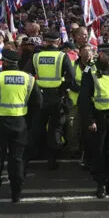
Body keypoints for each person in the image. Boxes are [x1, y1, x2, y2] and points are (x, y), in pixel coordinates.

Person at [0, 49, 41, 204]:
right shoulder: (29, 79)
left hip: (0, 122)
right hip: (20, 123)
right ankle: (16, 194)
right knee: (17, 159)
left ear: (4, 62)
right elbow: (37, 103)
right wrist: (27, 119)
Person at [77, 43, 109, 198]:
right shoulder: (89, 69)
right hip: (99, 117)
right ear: (101, 54)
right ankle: (101, 184)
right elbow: (84, 98)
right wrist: (90, 120)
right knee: (98, 152)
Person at [23, 28, 76, 170]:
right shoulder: (62, 56)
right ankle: (52, 161)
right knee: (55, 129)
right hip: (57, 97)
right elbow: (71, 78)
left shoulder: (36, 57)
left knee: (35, 128)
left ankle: (25, 159)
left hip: (39, 96)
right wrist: (62, 89)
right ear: (58, 42)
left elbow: (27, 76)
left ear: (45, 42)